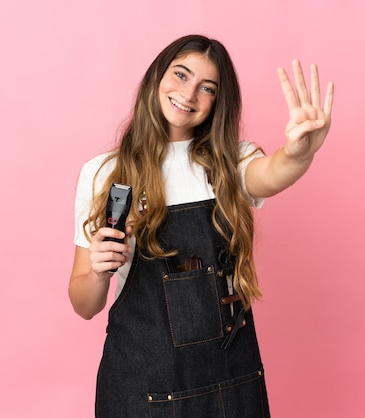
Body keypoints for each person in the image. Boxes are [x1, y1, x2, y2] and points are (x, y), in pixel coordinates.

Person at [68, 34, 333, 417]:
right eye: (180, 75)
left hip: (231, 383)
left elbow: (272, 173)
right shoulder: (104, 174)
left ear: (217, 102)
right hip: (142, 389)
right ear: (157, 76)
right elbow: (83, 304)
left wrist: (299, 153)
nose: (188, 94)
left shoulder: (231, 162)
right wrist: (97, 270)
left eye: (206, 88)